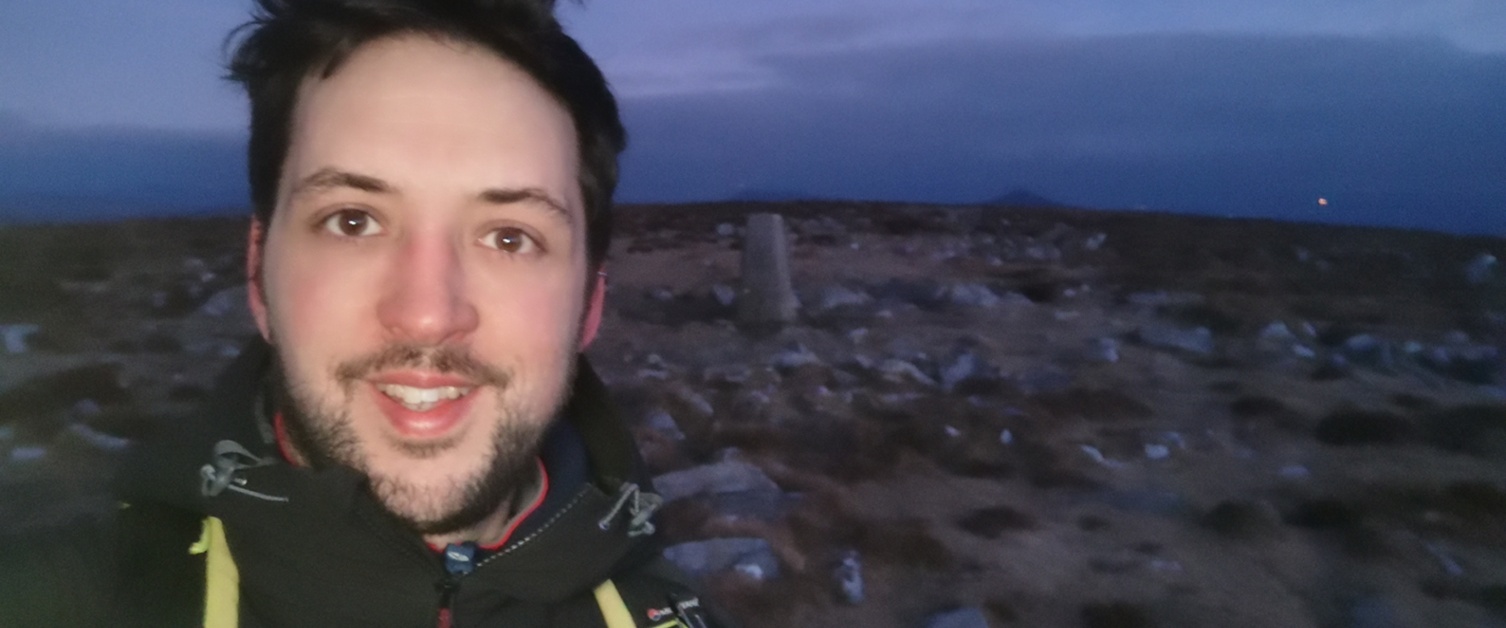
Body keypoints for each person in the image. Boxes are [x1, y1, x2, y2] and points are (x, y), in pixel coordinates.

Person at [1, 0, 731, 626]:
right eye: (353, 221)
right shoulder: (63, 590)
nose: (424, 315)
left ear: (590, 305)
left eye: (511, 237)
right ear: (259, 271)